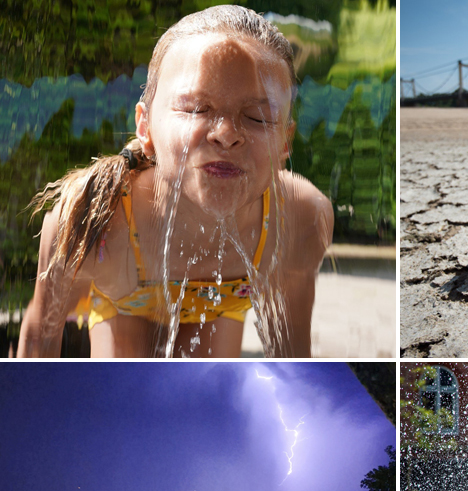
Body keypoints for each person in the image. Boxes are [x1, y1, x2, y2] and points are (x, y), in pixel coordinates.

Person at [18, 5, 332, 358]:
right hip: (123, 300)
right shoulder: (95, 220)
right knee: (127, 389)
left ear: (285, 142)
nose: (227, 134)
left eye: (258, 117)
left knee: (203, 395)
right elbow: (39, 338)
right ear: (145, 126)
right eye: (197, 108)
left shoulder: (300, 219)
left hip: (217, 306)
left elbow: (292, 355)